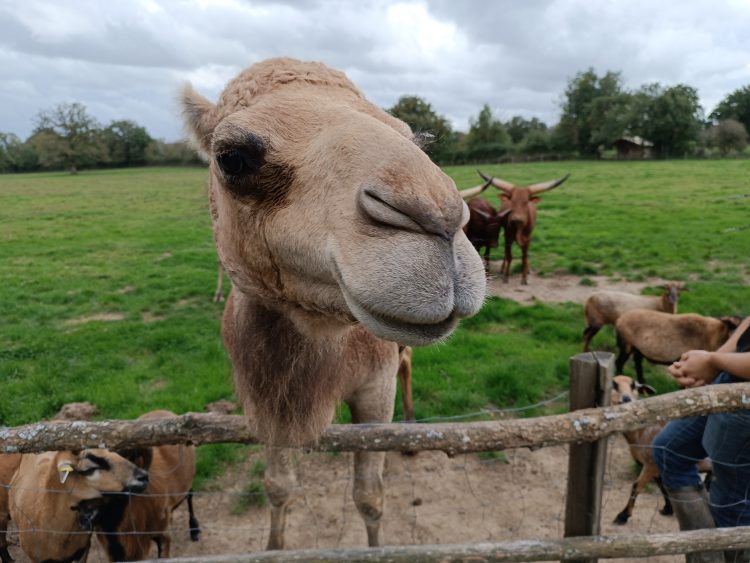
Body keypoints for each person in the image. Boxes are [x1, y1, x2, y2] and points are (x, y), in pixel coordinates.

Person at [652, 316, 750, 563]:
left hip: (746, 406)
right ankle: (706, 555)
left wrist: (713, 360)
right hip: (732, 378)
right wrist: (712, 364)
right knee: (669, 449)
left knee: (733, 506)